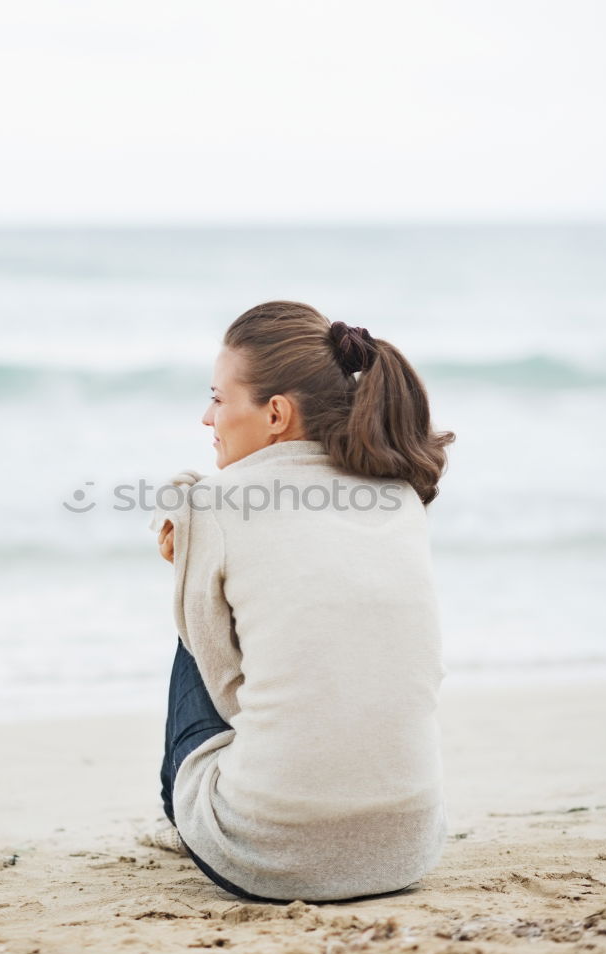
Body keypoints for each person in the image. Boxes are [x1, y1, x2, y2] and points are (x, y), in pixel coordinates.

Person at [146, 299, 455, 903]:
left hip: (265, 850)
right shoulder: (397, 496)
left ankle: (193, 814)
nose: (208, 418)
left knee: (194, 623)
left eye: (218, 397)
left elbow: (227, 688)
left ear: (276, 414)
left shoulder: (215, 504)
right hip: (407, 846)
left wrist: (188, 562)